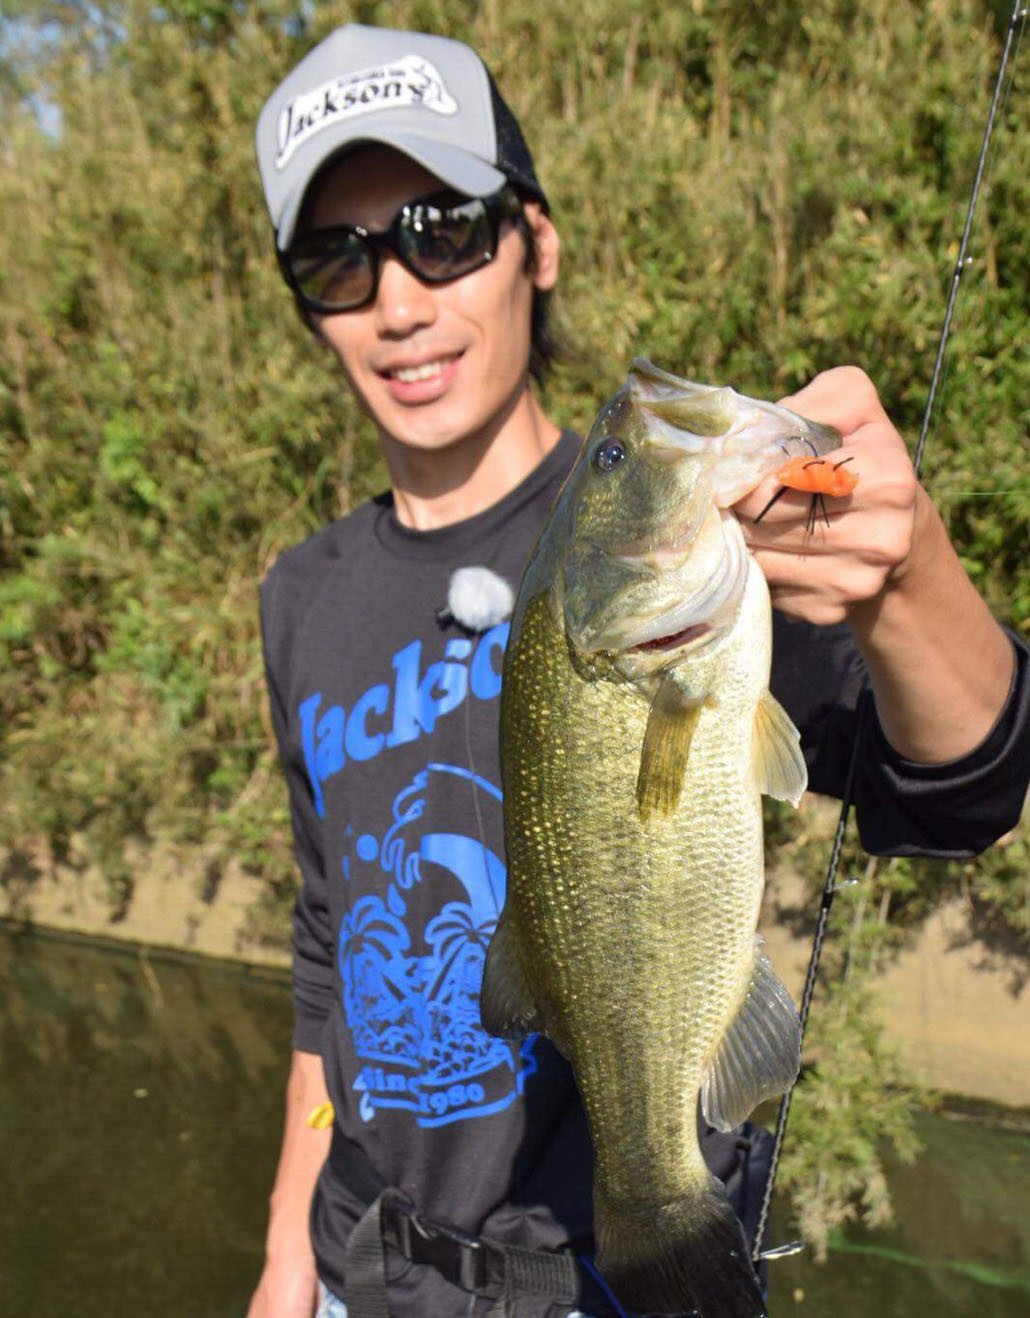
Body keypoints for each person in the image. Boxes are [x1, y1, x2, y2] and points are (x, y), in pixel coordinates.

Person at [248, 23, 1028, 1318]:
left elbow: (961, 790)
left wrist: (909, 572)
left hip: (599, 1279)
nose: (397, 299)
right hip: (358, 1271)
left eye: (443, 229)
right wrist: (288, 1247)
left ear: (534, 243)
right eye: (339, 260)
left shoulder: (707, 552)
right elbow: (330, 945)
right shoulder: (302, 594)